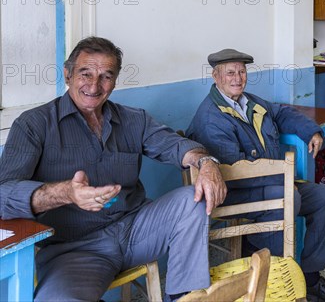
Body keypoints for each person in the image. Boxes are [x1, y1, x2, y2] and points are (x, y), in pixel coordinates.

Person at [0, 37, 227, 302]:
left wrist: (206, 162)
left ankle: (185, 297)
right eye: (85, 74)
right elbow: (4, 194)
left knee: (193, 199)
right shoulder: (34, 125)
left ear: (115, 81)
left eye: (106, 76)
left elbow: (176, 146)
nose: (94, 86)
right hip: (75, 251)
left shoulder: (133, 119)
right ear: (67, 74)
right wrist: (66, 193)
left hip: (136, 231)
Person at [186, 48, 325, 302]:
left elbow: (281, 112)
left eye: (241, 71)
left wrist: (311, 131)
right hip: (234, 190)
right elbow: (235, 170)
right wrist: (282, 179)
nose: (237, 78)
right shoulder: (211, 118)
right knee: (289, 197)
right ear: (216, 77)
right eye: (230, 72)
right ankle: (269, 276)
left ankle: (310, 276)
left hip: (272, 181)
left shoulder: (249, 101)